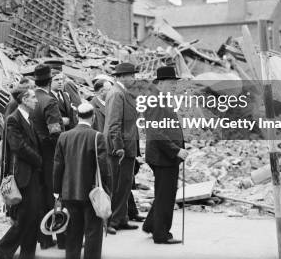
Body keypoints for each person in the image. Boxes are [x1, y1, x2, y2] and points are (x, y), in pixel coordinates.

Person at [0, 89, 43, 259]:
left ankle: (27, 253)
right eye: (33, 97)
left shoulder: (28, 118)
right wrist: (39, 160)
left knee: (32, 216)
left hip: (32, 173)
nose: (36, 100)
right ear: (24, 100)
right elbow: (18, 146)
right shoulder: (13, 119)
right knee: (25, 217)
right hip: (23, 175)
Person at [53, 102, 111, 259]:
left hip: (68, 192)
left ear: (77, 116)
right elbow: (104, 168)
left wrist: (57, 190)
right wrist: (107, 189)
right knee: (93, 231)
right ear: (93, 118)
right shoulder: (97, 136)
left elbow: (58, 166)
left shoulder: (64, 136)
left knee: (73, 232)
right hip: (91, 192)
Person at [142, 66, 188, 244]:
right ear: (160, 82)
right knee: (166, 195)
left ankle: (151, 225)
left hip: (164, 156)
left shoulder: (160, 98)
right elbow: (156, 133)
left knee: (163, 192)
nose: (174, 86)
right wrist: (176, 150)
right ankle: (160, 234)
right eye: (171, 82)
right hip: (163, 157)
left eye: (175, 83)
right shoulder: (156, 100)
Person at [103, 62, 140, 234]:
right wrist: (118, 148)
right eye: (131, 75)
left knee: (124, 185)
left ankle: (122, 218)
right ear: (121, 77)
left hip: (127, 146)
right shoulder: (117, 94)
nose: (134, 78)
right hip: (119, 149)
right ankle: (111, 221)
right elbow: (113, 124)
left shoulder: (123, 93)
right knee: (116, 186)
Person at [30, 64, 64, 249]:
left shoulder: (30, 99)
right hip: (50, 155)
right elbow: (55, 131)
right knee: (57, 196)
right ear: (50, 82)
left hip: (35, 155)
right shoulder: (49, 101)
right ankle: (62, 239)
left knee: (42, 196)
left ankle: (44, 239)